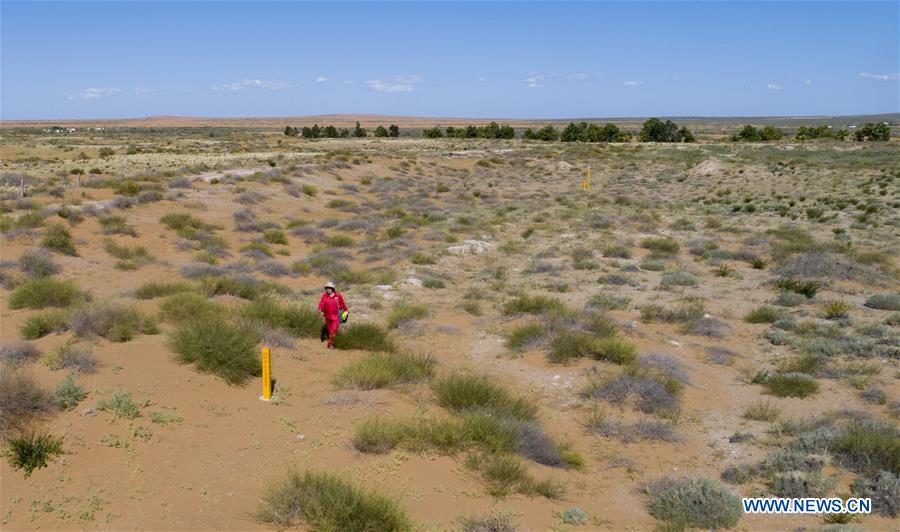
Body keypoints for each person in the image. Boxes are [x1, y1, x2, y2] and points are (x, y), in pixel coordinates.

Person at [317, 282, 347, 349]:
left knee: (332, 330)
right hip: (327, 316)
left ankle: (330, 344)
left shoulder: (338, 295)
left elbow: (342, 304)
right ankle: (332, 342)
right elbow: (322, 303)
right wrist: (320, 309)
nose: (329, 289)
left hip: (336, 317)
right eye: (327, 288)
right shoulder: (324, 296)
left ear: (333, 289)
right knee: (330, 330)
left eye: (330, 288)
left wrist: (346, 311)